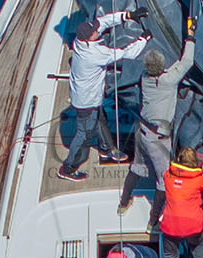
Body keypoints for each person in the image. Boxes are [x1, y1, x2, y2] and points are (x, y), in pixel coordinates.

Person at [58, 10, 152, 180]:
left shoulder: (81, 41)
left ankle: (106, 149)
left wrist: (128, 15)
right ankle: (67, 168)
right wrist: (143, 40)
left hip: (88, 96)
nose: (98, 30)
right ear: (90, 37)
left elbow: (104, 21)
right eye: (95, 31)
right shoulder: (94, 54)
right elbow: (126, 54)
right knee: (84, 134)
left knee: (101, 119)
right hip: (86, 101)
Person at [133, 18, 197, 224]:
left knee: (137, 167)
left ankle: (124, 200)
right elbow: (186, 62)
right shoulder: (168, 80)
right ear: (162, 67)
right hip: (158, 139)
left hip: (141, 132)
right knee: (163, 182)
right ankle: (154, 220)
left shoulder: (144, 77)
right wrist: (190, 36)